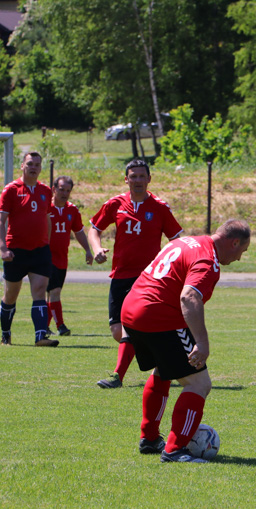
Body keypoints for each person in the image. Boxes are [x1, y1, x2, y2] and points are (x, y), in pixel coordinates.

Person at [121, 219, 251, 463]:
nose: (239, 258)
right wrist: (202, 342)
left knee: (163, 371)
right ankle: (175, 450)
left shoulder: (186, 242)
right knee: (199, 383)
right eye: (242, 251)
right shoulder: (208, 261)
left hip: (132, 309)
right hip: (157, 315)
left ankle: (150, 439)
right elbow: (189, 297)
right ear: (234, 242)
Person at [89, 159, 183, 389]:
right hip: (120, 274)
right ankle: (164, 359)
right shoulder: (115, 204)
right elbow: (94, 229)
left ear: (149, 179)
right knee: (117, 330)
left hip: (148, 279)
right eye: (134, 176)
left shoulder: (160, 208)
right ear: (126, 179)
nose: (138, 181)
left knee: (130, 328)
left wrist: (170, 265)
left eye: (142, 176)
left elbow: (177, 240)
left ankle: (117, 376)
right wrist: (96, 249)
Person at [0, 151, 58, 347]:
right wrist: (3, 248)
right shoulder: (11, 190)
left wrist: (46, 242)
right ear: (22, 166)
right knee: (11, 295)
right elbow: (0, 219)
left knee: (39, 290)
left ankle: (40, 337)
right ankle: (6, 334)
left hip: (40, 251)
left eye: (37, 165)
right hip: (16, 252)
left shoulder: (46, 191)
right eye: (30, 164)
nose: (34, 168)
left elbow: (47, 218)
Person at [46, 176, 93, 336]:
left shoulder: (72, 210)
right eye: (61, 189)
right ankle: (61, 326)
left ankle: (44, 326)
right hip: (46, 257)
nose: (64, 193)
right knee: (55, 292)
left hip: (62, 258)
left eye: (68, 190)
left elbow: (78, 231)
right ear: (53, 189)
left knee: (52, 294)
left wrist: (87, 249)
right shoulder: (45, 208)